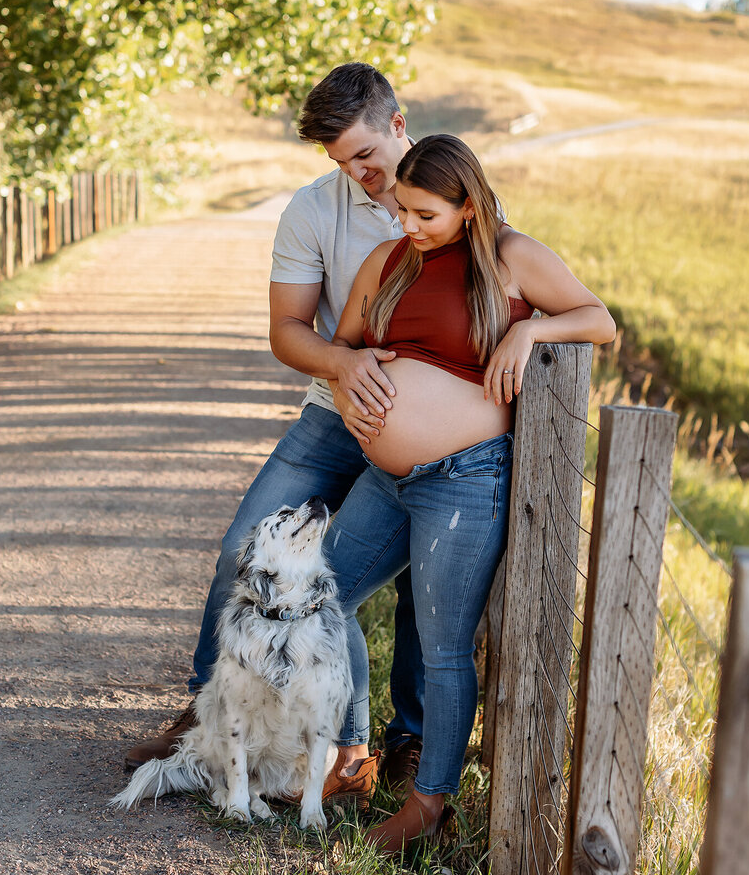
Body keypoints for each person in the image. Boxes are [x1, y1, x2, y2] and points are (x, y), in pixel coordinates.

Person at [124, 63, 426, 799]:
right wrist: (345, 367)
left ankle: (405, 743)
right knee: (242, 546)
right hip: (333, 417)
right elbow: (287, 332)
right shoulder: (313, 210)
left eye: (366, 157)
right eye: (341, 163)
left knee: (423, 580)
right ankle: (210, 712)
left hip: (424, 433)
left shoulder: (456, 193)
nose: (359, 176)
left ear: (397, 124)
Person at [322, 134, 616, 854]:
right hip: (389, 481)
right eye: (402, 211)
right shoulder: (389, 262)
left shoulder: (512, 256)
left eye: (425, 214)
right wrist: (350, 373)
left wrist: (534, 331)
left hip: (465, 478)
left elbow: (600, 320)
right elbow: (344, 342)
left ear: (467, 205)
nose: (407, 226)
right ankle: (350, 755)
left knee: (447, 647)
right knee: (322, 597)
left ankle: (431, 802)